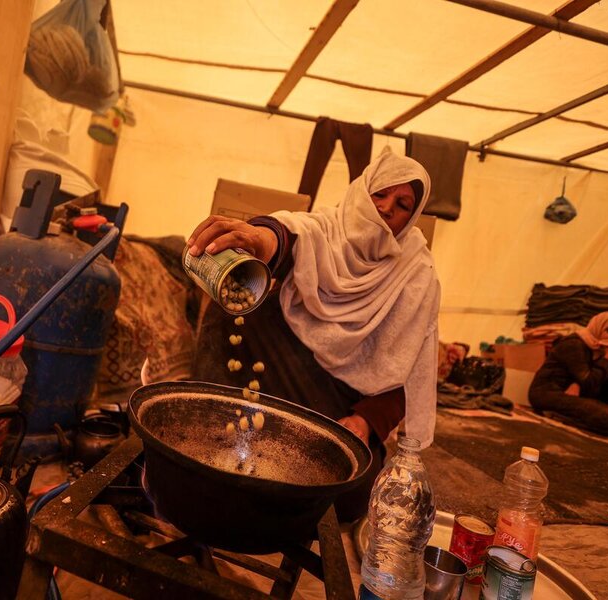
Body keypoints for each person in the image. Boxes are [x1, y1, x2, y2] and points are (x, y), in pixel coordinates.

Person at [187, 148, 440, 520]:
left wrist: (365, 422)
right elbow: (286, 237)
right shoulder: (325, 229)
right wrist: (258, 239)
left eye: (402, 204)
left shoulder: (417, 276)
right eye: (380, 193)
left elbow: (406, 372)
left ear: (411, 218)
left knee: (350, 494)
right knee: (234, 314)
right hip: (271, 371)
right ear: (361, 191)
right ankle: (212, 418)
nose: (387, 208)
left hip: (330, 404)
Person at [528, 312, 608, 437]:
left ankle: (561, 416)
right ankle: (559, 417)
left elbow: (592, 384)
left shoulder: (596, 349)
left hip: (572, 395)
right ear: (598, 327)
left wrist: (578, 384)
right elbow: (589, 381)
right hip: (547, 394)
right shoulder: (575, 344)